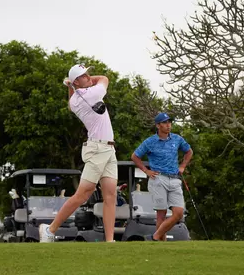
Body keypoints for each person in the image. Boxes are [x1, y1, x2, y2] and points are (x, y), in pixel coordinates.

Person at [39, 64, 118, 243]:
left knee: (110, 195)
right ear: (76, 81)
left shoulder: (75, 101)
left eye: (88, 73)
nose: (89, 76)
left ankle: (110, 240)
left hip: (108, 149)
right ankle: (50, 231)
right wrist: (76, 84)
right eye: (84, 75)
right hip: (97, 149)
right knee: (82, 195)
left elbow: (71, 102)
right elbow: (104, 78)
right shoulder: (93, 93)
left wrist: (72, 86)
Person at [131, 112, 193, 241]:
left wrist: (183, 166)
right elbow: (135, 156)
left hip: (175, 179)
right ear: (158, 125)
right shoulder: (150, 141)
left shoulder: (177, 139)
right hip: (158, 179)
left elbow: (189, 151)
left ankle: (155, 237)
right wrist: (146, 171)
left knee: (178, 213)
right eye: (165, 123)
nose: (168, 125)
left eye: (169, 122)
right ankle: (161, 244)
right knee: (161, 214)